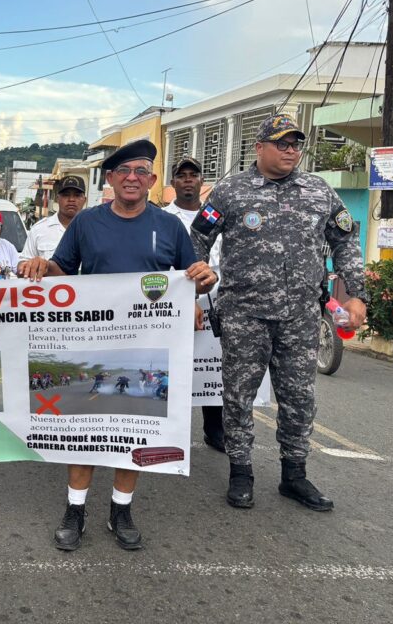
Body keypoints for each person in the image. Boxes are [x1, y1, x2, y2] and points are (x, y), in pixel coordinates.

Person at [19, 140, 217, 552]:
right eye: (123, 171)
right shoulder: (87, 222)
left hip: (148, 347)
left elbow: (188, 275)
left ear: (152, 180)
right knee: (85, 430)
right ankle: (75, 509)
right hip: (92, 344)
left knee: (137, 429)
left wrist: (202, 283)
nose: (132, 177)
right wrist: (41, 267)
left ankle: (120, 509)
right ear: (109, 179)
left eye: (141, 171)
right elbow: (61, 269)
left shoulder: (169, 227)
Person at [190, 114, 367, 512]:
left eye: (295, 144)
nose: (291, 151)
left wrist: (357, 295)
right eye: (282, 143)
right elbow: (198, 237)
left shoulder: (318, 192)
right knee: (238, 397)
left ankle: (294, 475)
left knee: (300, 398)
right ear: (260, 147)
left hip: (301, 317)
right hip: (244, 314)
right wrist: (197, 281)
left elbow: (346, 242)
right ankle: (240, 472)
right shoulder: (231, 191)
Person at [163, 156, 225, 453]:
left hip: (219, 303)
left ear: (202, 181)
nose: (188, 179)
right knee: (174, 370)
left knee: (213, 369)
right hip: (178, 305)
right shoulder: (164, 219)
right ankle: (168, 430)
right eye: (181, 175)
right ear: (173, 182)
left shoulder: (217, 216)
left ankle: (215, 430)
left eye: (194, 174)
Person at [20, 175, 88, 262]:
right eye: (66, 195)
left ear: (84, 200)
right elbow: (23, 264)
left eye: (77, 195)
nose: (71, 199)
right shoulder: (39, 229)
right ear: (57, 199)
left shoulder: (94, 229)